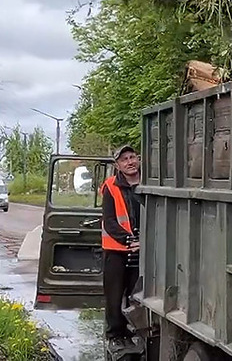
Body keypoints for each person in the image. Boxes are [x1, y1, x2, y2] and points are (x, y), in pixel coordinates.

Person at [101, 145, 142, 356]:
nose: (130, 162)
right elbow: (109, 222)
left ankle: (136, 330)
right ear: (117, 165)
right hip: (116, 251)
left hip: (142, 250)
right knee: (114, 296)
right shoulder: (111, 186)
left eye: (132, 157)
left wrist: (142, 242)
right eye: (124, 159)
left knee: (137, 293)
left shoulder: (150, 182)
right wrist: (129, 240)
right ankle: (116, 335)